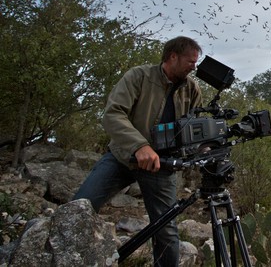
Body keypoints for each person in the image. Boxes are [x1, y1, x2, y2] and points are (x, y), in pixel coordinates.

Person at [73, 36, 203, 266]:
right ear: (173, 56)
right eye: (190, 61)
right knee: (79, 209)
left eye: (195, 62)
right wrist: (139, 145)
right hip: (122, 157)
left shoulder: (192, 89)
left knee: (166, 231)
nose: (194, 66)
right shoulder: (139, 76)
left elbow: (192, 128)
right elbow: (113, 114)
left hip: (161, 167)